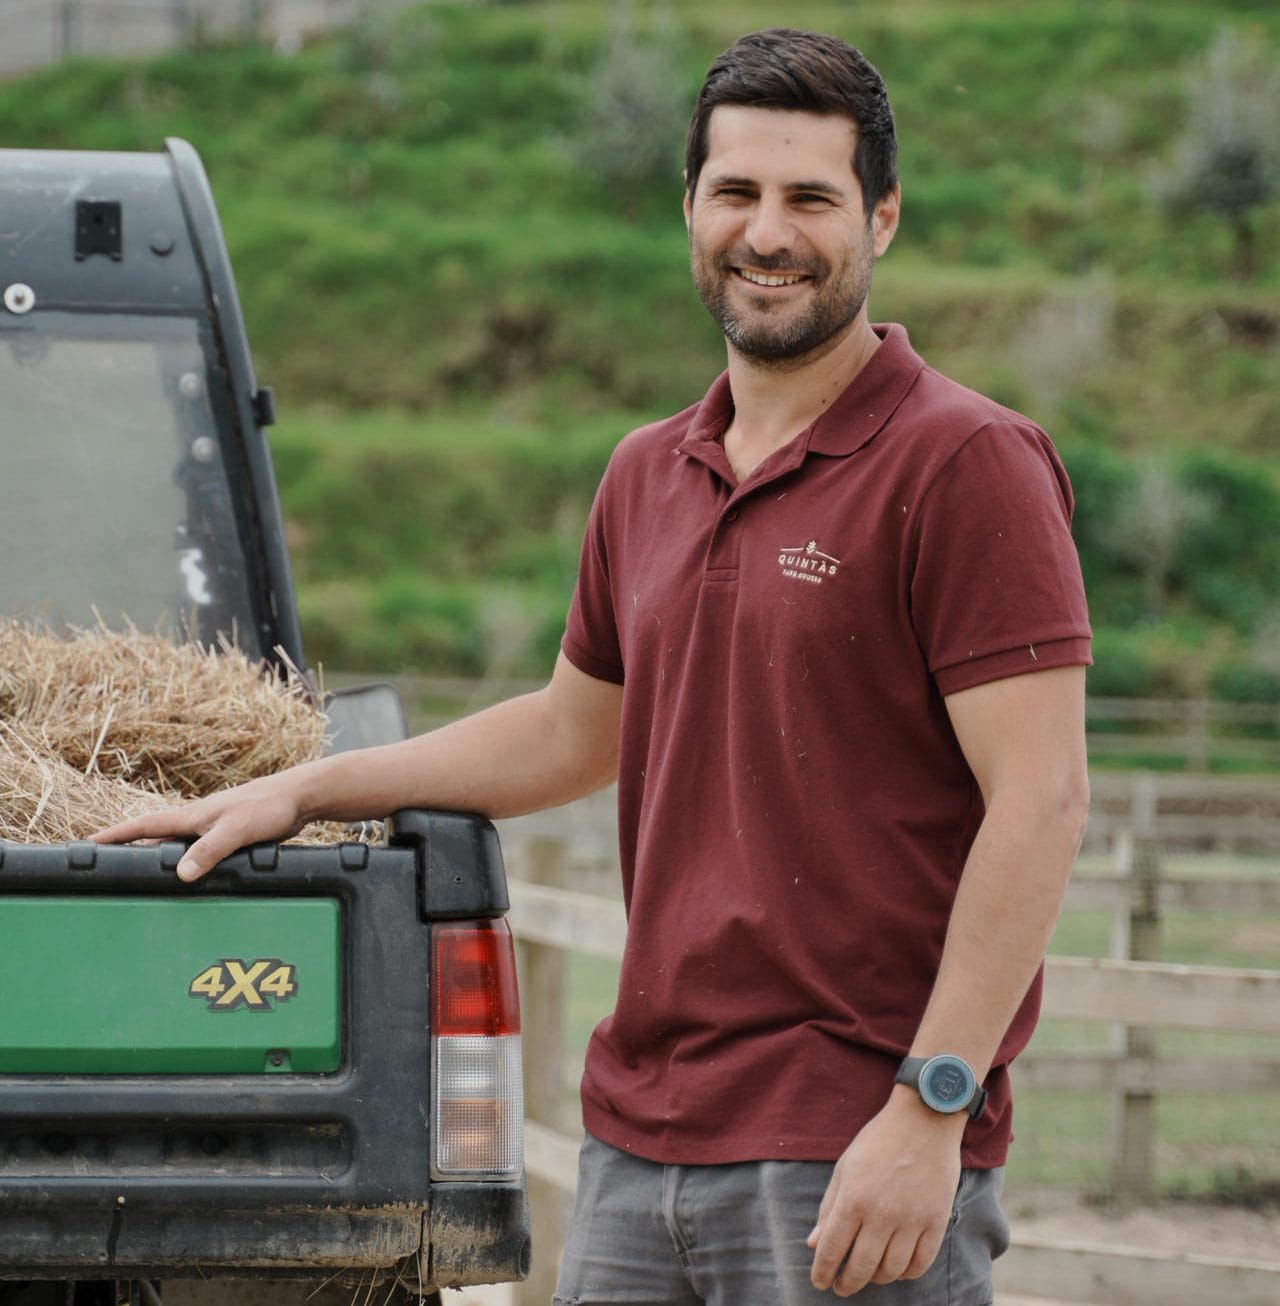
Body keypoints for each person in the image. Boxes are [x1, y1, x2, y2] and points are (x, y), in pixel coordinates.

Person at [97, 27, 1092, 1305]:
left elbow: (1041, 797)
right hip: (641, 1142)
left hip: (849, 1139)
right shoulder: (646, 471)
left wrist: (931, 1105)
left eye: (810, 198)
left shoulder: (964, 464)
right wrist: (309, 786)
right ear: (689, 208)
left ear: (881, 218)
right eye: (734, 192)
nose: (766, 232)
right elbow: (572, 732)